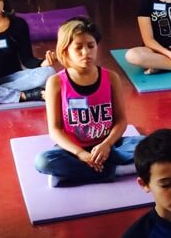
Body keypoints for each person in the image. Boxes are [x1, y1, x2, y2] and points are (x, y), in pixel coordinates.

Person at [34, 18, 141, 186]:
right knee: (43, 161)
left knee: (152, 145)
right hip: (73, 151)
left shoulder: (111, 77)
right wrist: (80, 154)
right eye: (78, 48)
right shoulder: (55, 82)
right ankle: (115, 171)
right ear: (65, 50)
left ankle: (77, 173)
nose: (86, 52)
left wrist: (106, 145)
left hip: (109, 148)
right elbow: (55, 130)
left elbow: (121, 121)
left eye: (91, 46)